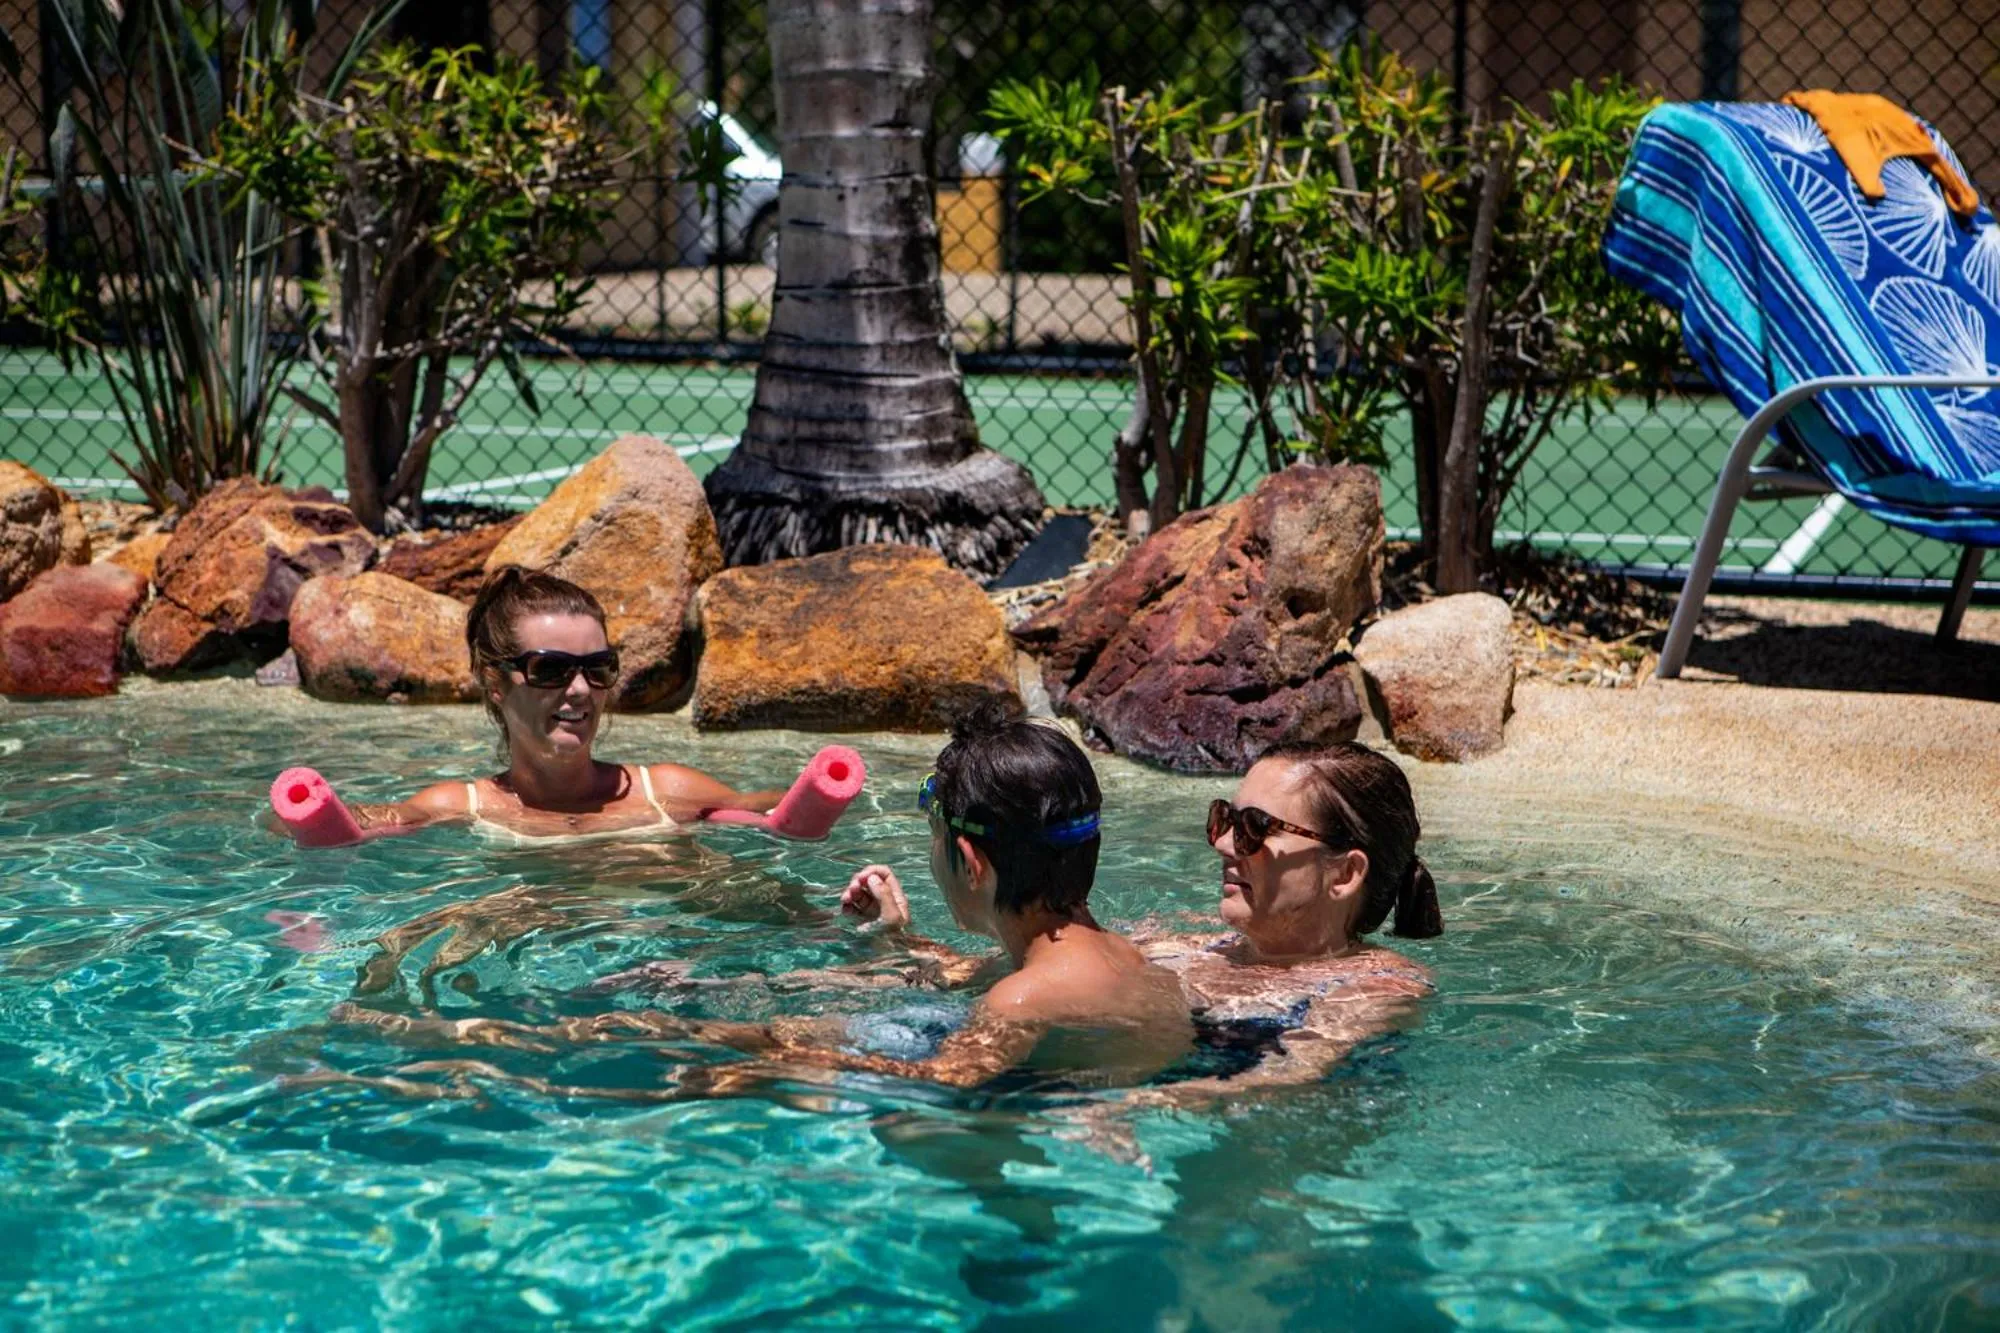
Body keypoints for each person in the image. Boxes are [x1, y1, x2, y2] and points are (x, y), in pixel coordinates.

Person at [333, 703, 1194, 1092]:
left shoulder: (1026, 992)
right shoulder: (1090, 951)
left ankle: (463, 1062)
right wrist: (898, 944)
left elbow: (943, 1083)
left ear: (970, 862)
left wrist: (771, 1054)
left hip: (1057, 1132)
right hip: (1096, 1086)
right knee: (721, 1014)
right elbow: (968, 984)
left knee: (686, 1061)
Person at [324, 566, 782, 841]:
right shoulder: (463, 807)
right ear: (494, 681)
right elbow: (305, 824)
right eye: (551, 670)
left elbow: (784, 813)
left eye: (598, 668)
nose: (581, 689)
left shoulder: (666, 791)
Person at [1130, 740, 1444, 1097]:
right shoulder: (1192, 949)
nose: (1224, 844)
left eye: (1256, 827)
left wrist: (1111, 1109)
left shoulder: (1376, 986)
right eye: (1226, 819)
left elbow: (1283, 1075)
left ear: (1344, 874)